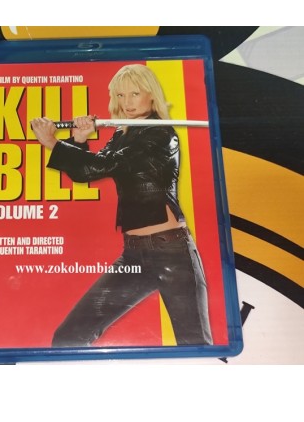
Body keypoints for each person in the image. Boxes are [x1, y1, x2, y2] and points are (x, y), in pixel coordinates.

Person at [30, 64, 213, 347]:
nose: (127, 102)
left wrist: (53, 143)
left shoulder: (161, 135)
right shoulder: (122, 135)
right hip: (133, 256)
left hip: (172, 253)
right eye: (120, 95)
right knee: (68, 337)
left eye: (134, 94)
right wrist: (79, 139)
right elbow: (86, 172)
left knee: (195, 346)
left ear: (151, 95)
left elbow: (100, 166)